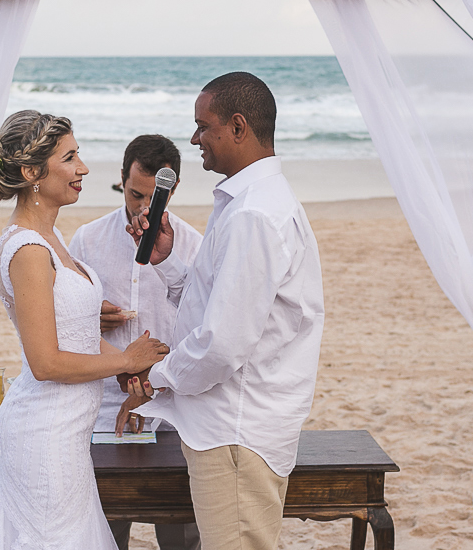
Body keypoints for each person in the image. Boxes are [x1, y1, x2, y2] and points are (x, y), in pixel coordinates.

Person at [125, 72, 324, 550]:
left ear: (238, 127)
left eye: (202, 126)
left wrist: (158, 375)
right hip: (234, 425)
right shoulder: (250, 202)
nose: (194, 138)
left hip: (235, 430)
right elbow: (217, 301)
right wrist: (171, 263)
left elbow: (224, 341)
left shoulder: (254, 213)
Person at [0, 110, 170, 550]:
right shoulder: (27, 250)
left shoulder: (52, 238)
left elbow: (75, 331)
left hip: (68, 436)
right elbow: (44, 362)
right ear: (31, 173)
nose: (83, 168)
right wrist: (125, 359)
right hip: (45, 435)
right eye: (70, 157)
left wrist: (119, 372)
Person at [68, 134, 203, 550]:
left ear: (173, 188)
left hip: (173, 413)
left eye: (152, 198)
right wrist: (89, 317)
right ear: (121, 180)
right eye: (133, 194)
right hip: (102, 412)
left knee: (181, 537)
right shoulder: (86, 240)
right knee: (106, 535)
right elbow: (62, 327)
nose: (142, 207)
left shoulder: (195, 245)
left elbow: (202, 331)